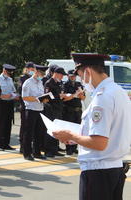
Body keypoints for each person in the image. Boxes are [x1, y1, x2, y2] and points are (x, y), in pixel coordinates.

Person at [53, 53, 131, 200]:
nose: (82, 81)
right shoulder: (118, 91)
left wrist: (70, 135)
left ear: (88, 72)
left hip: (98, 174)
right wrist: (76, 139)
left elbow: (99, 143)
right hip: (114, 169)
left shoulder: (102, 98)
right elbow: (111, 131)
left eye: (81, 75)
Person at [22, 65, 49, 160]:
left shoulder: (40, 82)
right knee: (29, 133)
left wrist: (44, 98)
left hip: (40, 110)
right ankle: (27, 153)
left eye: (43, 74)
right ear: (36, 72)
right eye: (41, 73)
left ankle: (37, 152)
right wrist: (38, 99)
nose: (42, 76)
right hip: (31, 110)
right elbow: (25, 97)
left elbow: (41, 95)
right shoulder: (28, 82)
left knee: (39, 133)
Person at [44, 66, 67, 157]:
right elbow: (47, 97)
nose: (62, 77)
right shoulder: (49, 83)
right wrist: (59, 96)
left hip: (58, 109)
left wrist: (62, 95)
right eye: (61, 75)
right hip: (51, 109)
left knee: (57, 130)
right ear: (56, 74)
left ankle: (54, 149)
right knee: (51, 130)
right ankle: (48, 151)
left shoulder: (59, 83)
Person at [0, 64, 18, 151]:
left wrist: (13, 95)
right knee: (1, 123)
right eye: (9, 72)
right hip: (1, 103)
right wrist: (3, 96)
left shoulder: (10, 79)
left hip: (10, 103)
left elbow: (13, 90)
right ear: (4, 71)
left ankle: (6, 143)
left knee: (8, 123)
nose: (10, 74)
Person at [62, 69, 85, 155]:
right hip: (69, 110)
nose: (73, 77)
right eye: (71, 76)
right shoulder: (65, 85)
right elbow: (64, 98)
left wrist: (81, 94)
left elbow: (83, 98)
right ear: (68, 76)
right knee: (69, 130)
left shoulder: (78, 84)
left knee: (77, 130)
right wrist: (75, 95)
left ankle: (74, 147)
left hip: (78, 110)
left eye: (74, 76)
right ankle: (68, 148)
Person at [18, 62, 35, 153]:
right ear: (27, 69)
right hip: (25, 105)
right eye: (31, 69)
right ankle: (22, 146)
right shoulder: (23, 78)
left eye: (33, 70)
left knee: (30, 128)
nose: (32, 71)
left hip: (32, 106)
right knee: (24, 127)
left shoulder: (33, 79)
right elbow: (21, 92)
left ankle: (28, 146)